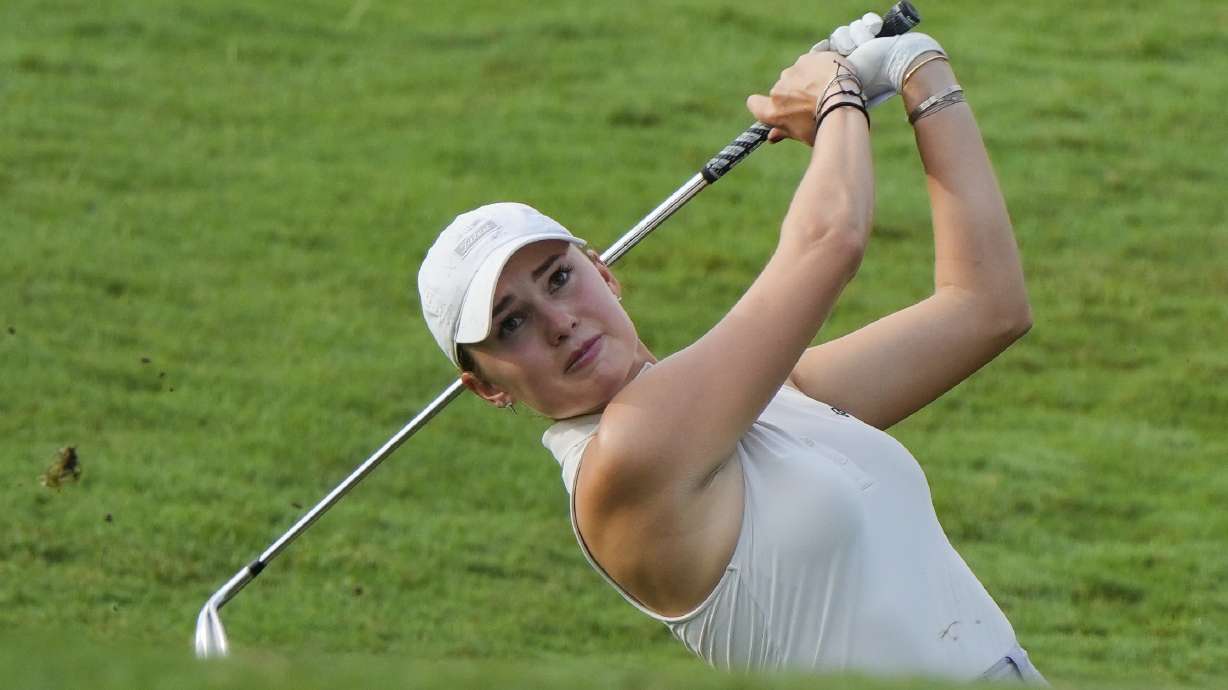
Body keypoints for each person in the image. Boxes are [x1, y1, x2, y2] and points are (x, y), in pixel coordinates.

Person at [416, 13, 1046, 685]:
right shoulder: (627, 455)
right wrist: (835, 95)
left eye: (560, 279)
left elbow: (986, 310)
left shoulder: (772, 399)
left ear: (603, 272)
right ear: (486, 386)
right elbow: (829, 241)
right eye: (511, 324)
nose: (558, 322)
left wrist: (918, 71)